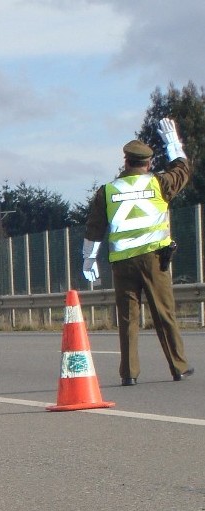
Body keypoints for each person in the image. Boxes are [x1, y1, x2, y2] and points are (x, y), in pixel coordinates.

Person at [82, 117, 194, 386]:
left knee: (127, 319)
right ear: (148, 163)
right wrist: (173, 143)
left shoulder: (107, 191)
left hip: (122, 264)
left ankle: (129, 373)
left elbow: (94, 228)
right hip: (154, 259)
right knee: (163, 313)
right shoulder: (159, 184)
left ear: (125, 162)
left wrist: (89, 258)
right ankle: (178, 366)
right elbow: (183, 170)